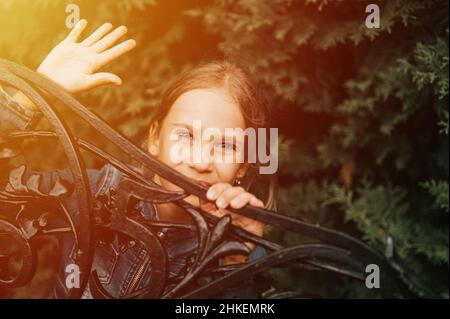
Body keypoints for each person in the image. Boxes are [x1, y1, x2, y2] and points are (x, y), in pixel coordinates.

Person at [0, 19, 276, 298]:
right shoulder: (95, 191)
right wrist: (31, 95)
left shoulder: (244, 245)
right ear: (155, 138)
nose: (200, 161)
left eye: (226, 145)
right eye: (186, 136)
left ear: (243, 165)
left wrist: (235, 261)